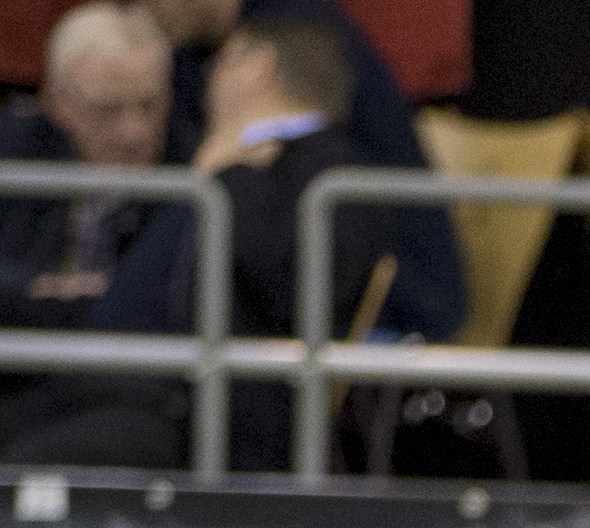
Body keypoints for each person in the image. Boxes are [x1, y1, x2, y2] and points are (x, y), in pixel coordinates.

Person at [0, 16, 386, 472]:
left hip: (190, 413)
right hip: (112, 387)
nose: (134, 131)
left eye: (219, 64)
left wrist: (224, 179)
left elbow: (289, 291)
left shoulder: (327, 174)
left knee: (32, 465)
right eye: (109, 109)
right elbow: (124, 299)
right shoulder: (215, 160)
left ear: (255, 66)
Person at [135, 0, 460, 339]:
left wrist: (215, 175)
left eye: (223, 66)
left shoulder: (308, 42)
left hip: (386, 314)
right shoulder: (192, 52)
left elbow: (297, 274)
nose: (137, 9)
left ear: (259, 69)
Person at [0, 6, 172, 333]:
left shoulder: (192, 160)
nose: (134, 131)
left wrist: (7, 291)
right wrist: (23, 286)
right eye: (108, 110)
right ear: (58, 100)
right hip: (12, 369)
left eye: (150, 105)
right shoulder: (14, 147)